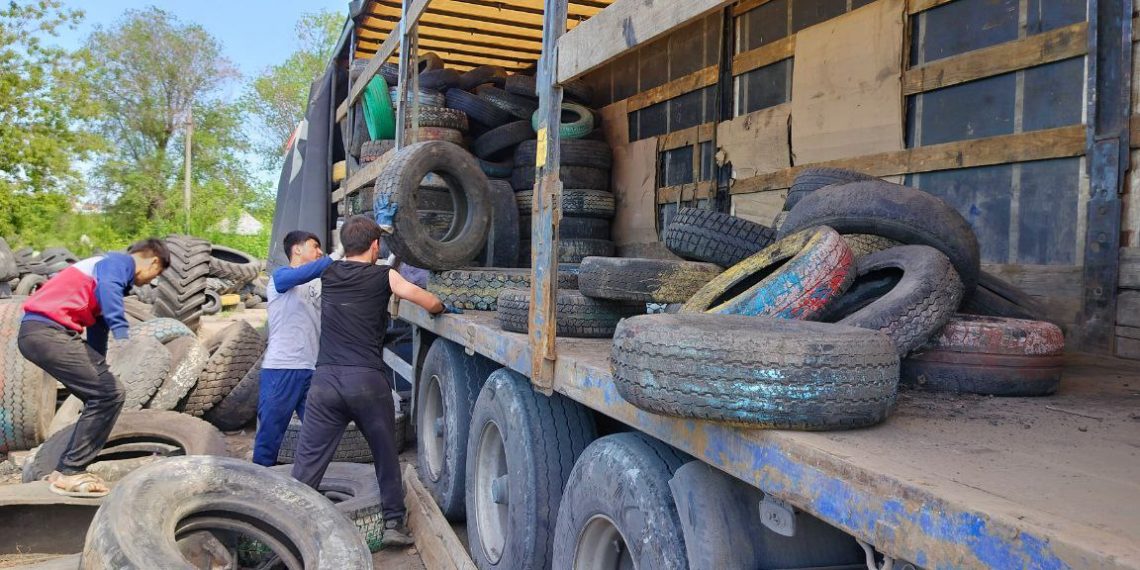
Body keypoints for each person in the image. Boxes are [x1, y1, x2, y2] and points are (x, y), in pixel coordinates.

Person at [291, 215, 456, 547]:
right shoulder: (385, 275)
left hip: (325, 383)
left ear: (344, 245)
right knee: (384, 454)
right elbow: (426, 300)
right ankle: (394, 523)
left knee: (307, 464)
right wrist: (440, 307)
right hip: (366, 381)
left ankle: (287, 526)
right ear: (375, 246)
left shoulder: (329, 271)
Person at [17, 239, 169, 497]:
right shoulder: (118, 263)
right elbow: (109, 291)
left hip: (42, 333)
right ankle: (71, 471)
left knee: (103, 391)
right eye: (158, 274)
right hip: (47, 332)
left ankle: (62, 471)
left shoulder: (103, 271)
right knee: (109, 395)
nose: (151, 280)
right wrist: (121, 326)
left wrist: (98, 363)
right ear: (154, 261)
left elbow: (97, 327)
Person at [252, 231, 336, 466]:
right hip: (281, 369)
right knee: (270, 436)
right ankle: (259, 488)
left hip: (310, 370)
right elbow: (305, 273)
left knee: (318, 434)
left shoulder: (317, 283)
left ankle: (305, 487)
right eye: (315, 246)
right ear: (297, 249)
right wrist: (337, 254)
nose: (320, 252)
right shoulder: (280, 277)